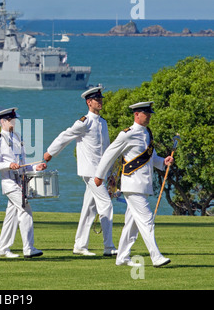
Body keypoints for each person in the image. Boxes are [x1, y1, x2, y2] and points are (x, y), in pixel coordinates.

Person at [94, 101, 173, 267]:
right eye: (146, 113)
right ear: (137, 114)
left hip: (144, 185)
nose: (149, 116)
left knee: (132, 224)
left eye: (150, 113)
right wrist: (99, 175)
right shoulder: (127, 134)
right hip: (133, 185)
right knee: (146, 220)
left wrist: (163, 162)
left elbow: (151, 158)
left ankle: (122, 257)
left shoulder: (147, 133)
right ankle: (156, 256)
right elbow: (110, 154)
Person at [43, 85, 117, 256]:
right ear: (89, 102)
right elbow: (65, 135)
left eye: (100, 99)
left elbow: (106, 150)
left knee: (89, 209)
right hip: (90, 171)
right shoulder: (84, 122)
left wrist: (111, 172)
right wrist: (50, 153)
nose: (100, 102)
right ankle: (109, 246)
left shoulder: (102, 123)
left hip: (100, 172)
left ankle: (80, 245)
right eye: (97, 100)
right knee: (105, 205)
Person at [0, 107, 46, 258]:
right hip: (8, 182)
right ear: (2, 121)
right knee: (26, 209)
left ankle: (3, 249)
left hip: (20, 181)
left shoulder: (18, 137)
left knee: (12, 216)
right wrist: (8, 165)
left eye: (13, 119)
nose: (13, 122)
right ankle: (29, 248)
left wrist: (35, 167)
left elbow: (24, 163)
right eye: (10, 120)